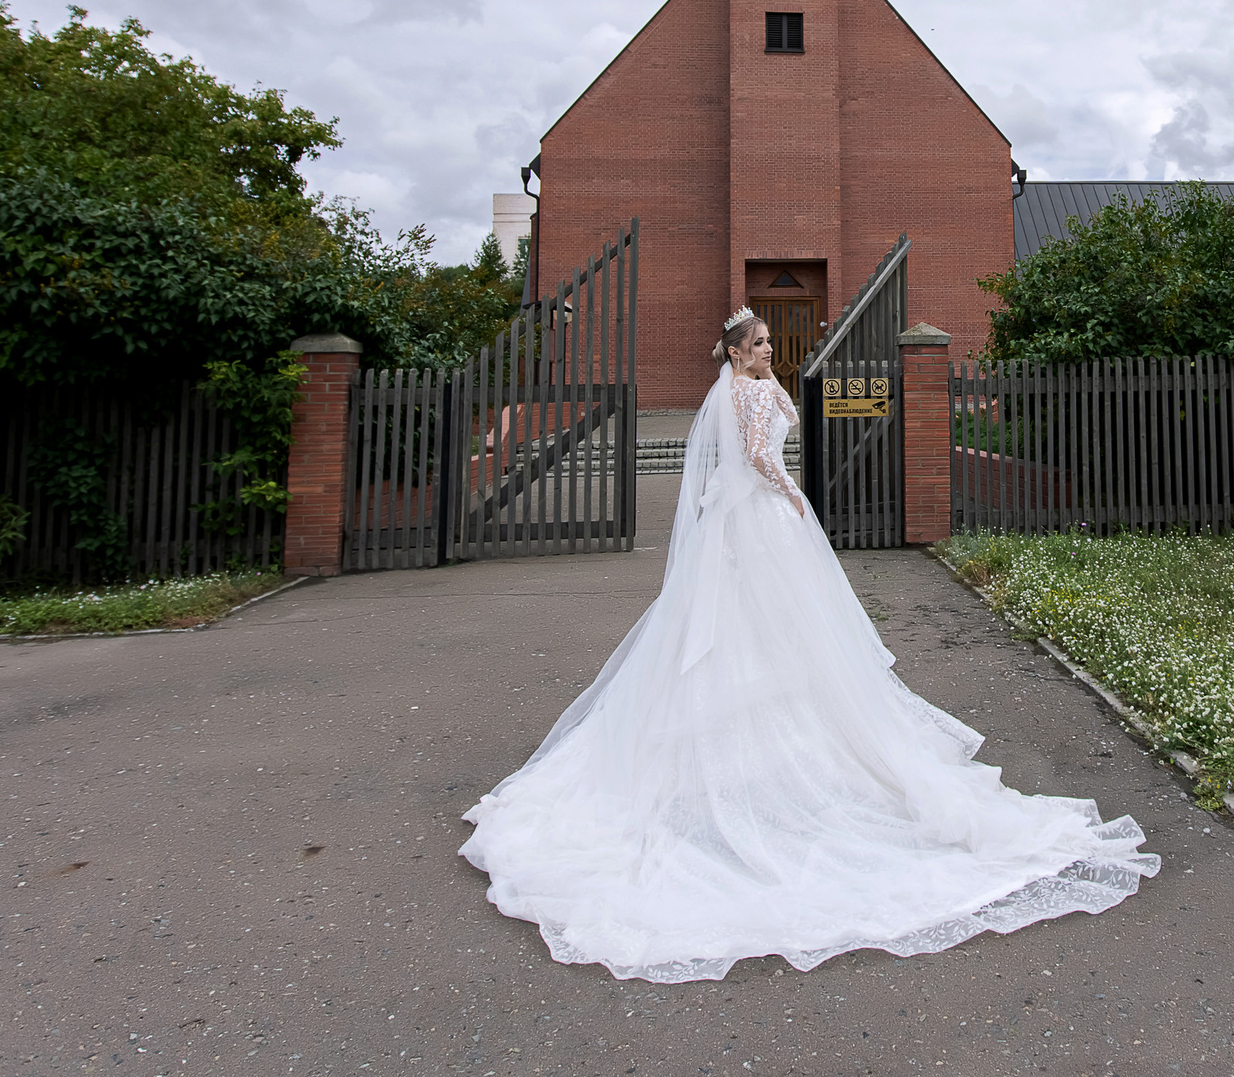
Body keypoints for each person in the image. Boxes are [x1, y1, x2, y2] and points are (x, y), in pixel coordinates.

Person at [458, 306, 1157, 982]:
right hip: (762, 523)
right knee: (790, 636)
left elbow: (730, 458)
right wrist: (793, 493)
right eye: (759, 343)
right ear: (736, 350)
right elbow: (761, 455)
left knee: (730, 638)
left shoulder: (725, 393)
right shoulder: (757, 393)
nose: (768, 352)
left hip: (730, 532)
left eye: (766, 343)